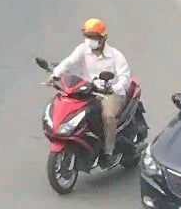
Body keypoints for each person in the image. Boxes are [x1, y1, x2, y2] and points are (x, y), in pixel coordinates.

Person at [49, 19, 132, 156]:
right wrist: (55, 75)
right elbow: (69, 62)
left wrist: (114, 88)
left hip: (109, 93)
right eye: (87, 37)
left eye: (93, 37)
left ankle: (109, 150)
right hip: (88, 90)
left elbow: (125, 78)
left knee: (108, 116)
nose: (89, 40)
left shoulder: (116, 56)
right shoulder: (83, 49)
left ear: (102, 38)